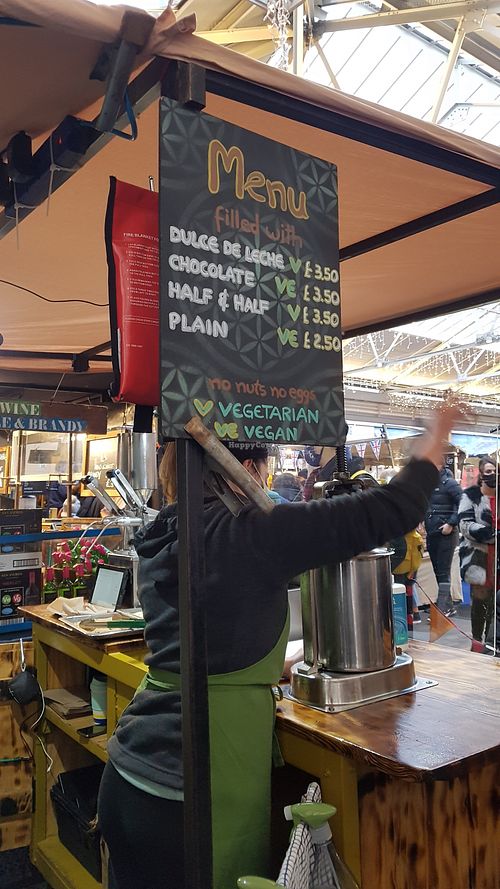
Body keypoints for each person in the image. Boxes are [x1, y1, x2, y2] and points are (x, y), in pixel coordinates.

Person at [97, 409, 458, 889]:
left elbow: (210, 637)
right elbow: (394, 508)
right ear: (248, 469)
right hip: (185, 794)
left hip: (129, 770)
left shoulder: (171, 527)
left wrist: (270, 665)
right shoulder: (250, 531)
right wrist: (437, 433)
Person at [459, 458, 498, 647]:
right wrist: (490, 535)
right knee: (480, 602)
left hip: (497, 558)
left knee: (495, 603)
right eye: (488, 471)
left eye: (494, 471)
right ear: (481, 474)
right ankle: (476, 640)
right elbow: (465, 524)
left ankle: (491, 642)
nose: (492, 475)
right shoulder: (470, 496)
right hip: (478, 557)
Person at [424, 463, 462, 616]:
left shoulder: (450, 483)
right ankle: (447, 605)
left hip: (446, 533)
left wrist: (451, 523)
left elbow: (463, 505)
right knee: (437, 570)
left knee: (442, 571)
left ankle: (443, 608)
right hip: (433, 532)